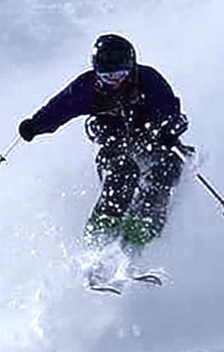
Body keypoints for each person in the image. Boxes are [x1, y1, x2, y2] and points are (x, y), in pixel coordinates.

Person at [18, 34, 189, 247]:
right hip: (115, 148)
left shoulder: (148, 79)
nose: (115, 82)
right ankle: (99, 238)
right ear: (97, 73)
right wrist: (35, 125)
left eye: (120, 74)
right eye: (108, 77)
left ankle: (141, 231)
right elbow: (58, 109)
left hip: (153, 141)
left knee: (168, 165)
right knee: (123, 172)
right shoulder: (87, 88)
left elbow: (170, 110)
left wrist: (168, 130)